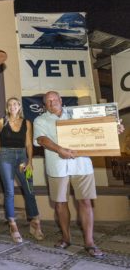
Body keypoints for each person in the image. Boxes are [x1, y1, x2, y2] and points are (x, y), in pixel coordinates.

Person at [33, 91, 124, 258]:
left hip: (82, 164)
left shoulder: (77, 113)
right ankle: (66, 238)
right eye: (48, 101)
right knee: (60, 204)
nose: (52, 103)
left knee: (85, 202)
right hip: (57, 167)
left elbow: (98, 128)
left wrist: (112, 129)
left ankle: (89, 242)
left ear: (61, 100)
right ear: (44, 105)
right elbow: (41, 140)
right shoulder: (40, 120)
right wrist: (59, 149)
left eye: (54, 99)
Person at [0, 97, 44, 243]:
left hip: (22, 157)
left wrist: (30, 161)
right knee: (9, 191)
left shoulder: (27, 123)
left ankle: (35, 222)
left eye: (15, 104)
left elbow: (28, 144)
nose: (13, 106)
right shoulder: (2, 122)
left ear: (19, 106)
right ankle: (12, 224)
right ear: (7, 108)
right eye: (10, 104)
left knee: (29, 189)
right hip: (6, 157)